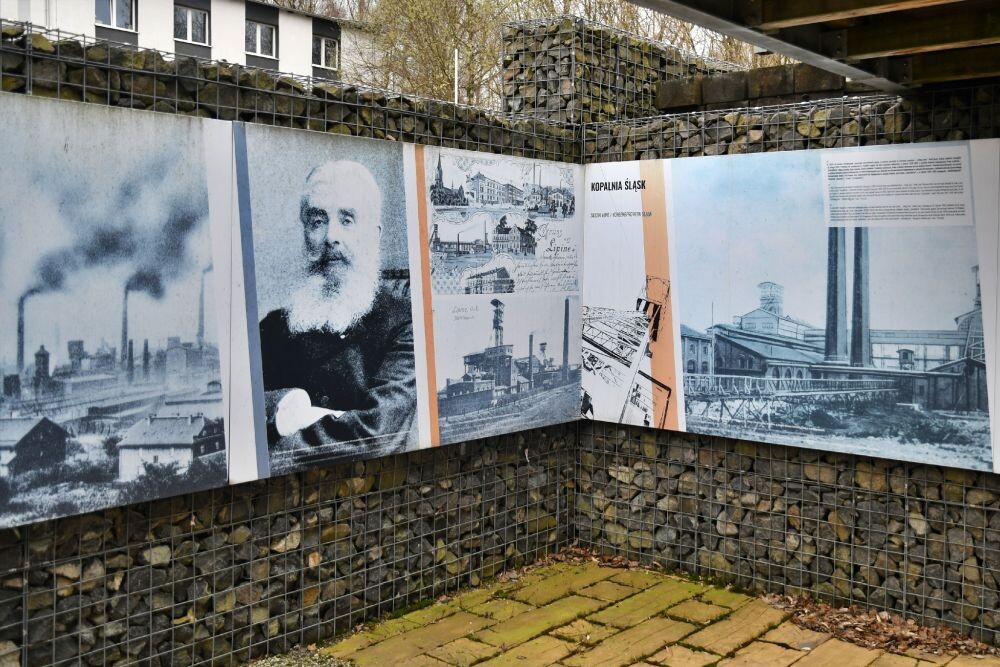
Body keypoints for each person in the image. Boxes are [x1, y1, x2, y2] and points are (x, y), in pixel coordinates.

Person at [258, 160, 416, 458]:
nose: (331, 236)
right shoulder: (271, 329)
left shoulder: (404, 324)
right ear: (305, 232)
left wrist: (273, 444)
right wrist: (283, 403)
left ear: (374, 235)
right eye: (318, 221)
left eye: (347, 220)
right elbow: (234, 408)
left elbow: (375, 437)